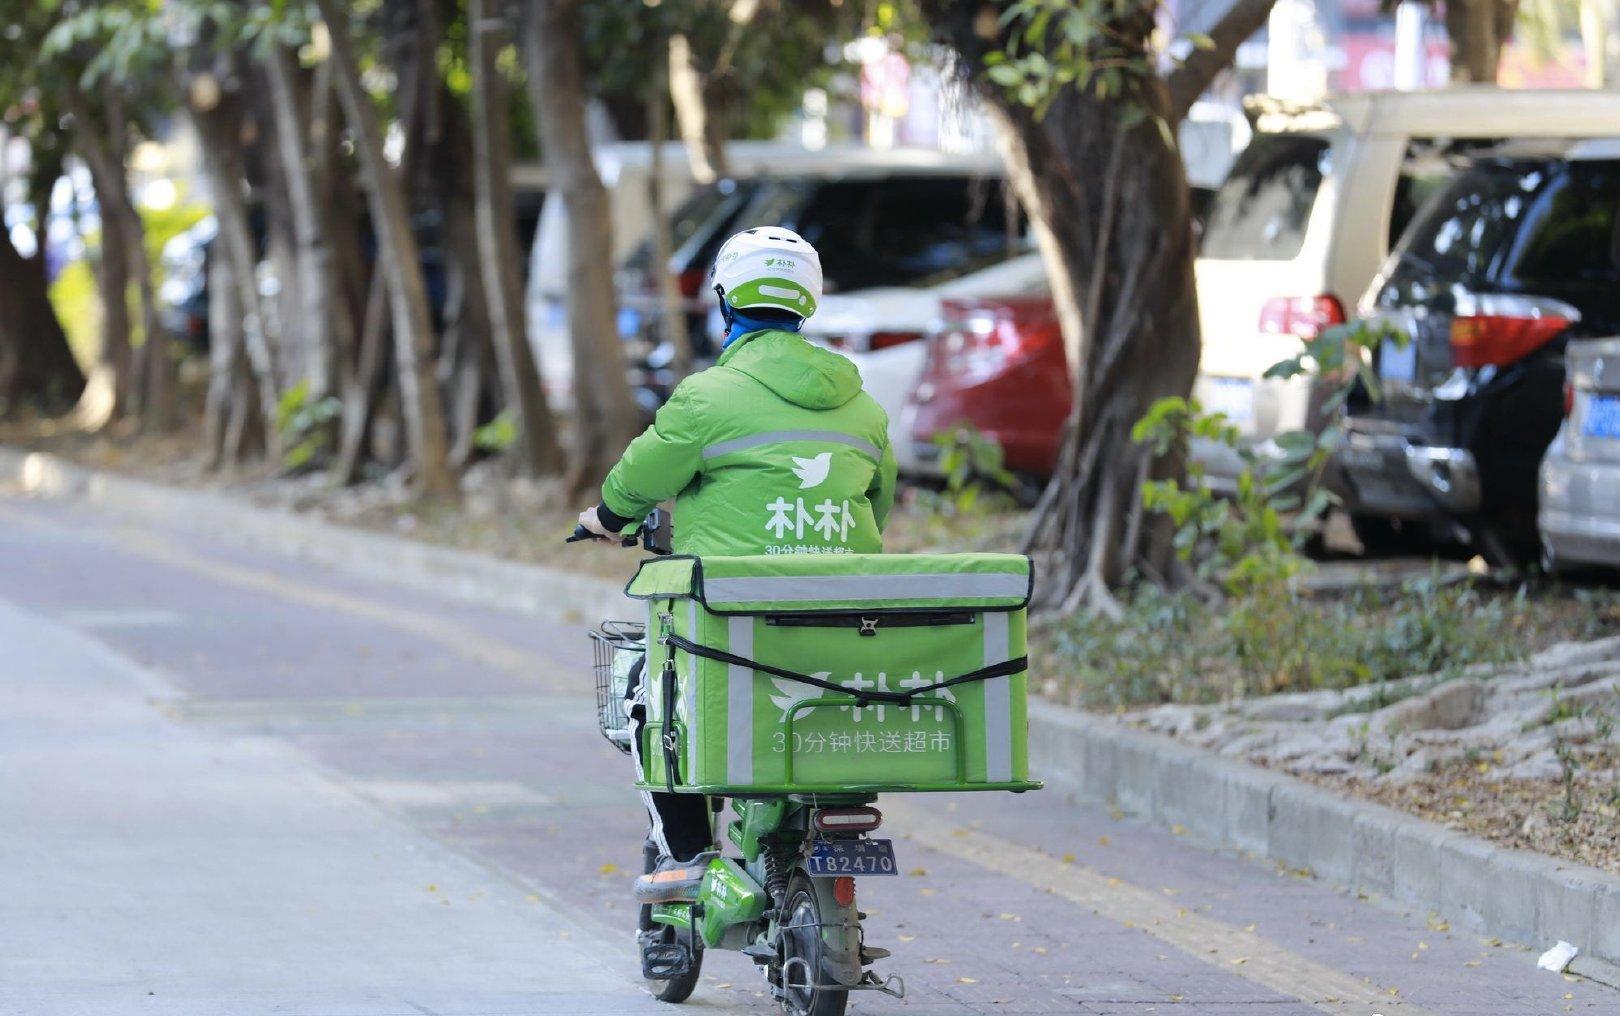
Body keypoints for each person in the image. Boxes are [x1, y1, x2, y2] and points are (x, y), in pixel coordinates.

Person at [575, 227, 898, 902]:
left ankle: (690, 856)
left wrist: (604, 520)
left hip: (730, 632)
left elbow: (636, 480)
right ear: (807, 302)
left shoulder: (706, 397)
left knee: (647, 694)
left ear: (725, 302)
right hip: (843, 632)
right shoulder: (863, 407)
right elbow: (879, 503)